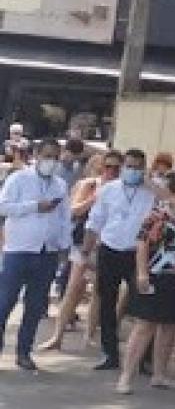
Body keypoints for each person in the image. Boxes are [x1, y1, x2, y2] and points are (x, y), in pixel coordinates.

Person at [117, 172, 175, 393]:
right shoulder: (160, 213)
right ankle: (126, 376)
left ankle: (160, 373)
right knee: (145, 325)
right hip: (158, 273)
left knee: (170, 325)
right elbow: (142, 243)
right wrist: (142, 273)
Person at [0, 137, 71, 371]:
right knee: (6, 301)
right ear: (37, 156)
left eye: (55, 157)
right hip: (19, 249)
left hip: (46, 252)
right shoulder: (19, 178)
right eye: (47, 156)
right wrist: (34, 206)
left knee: (35, 305)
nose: (51, 161)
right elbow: (4, 206)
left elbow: (64, 218)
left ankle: (24, 351)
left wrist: (63, 246)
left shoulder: (59, 185)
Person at [84, 149, 158, 371]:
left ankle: (143, 358)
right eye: (130, 166)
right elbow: (95, 221)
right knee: (107, 302)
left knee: (144, 306)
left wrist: (151, 185)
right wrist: (87, 252)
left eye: (138, 167)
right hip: (110, 249)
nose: (133, 171)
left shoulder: (151, 192)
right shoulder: (109, 190)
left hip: (138, 253)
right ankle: (110, 353)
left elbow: (170, 203)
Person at [41, 150, 120, 352]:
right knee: (73, 289)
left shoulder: (121, 189)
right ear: (101, 166)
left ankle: (90, 335)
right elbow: (73, 211)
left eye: (116, 167)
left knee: (98, 293)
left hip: (107, 244)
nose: (112, 171)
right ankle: (57, 336)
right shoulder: (89, 184)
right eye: (108, 166)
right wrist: (94, 198)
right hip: (83, 242)